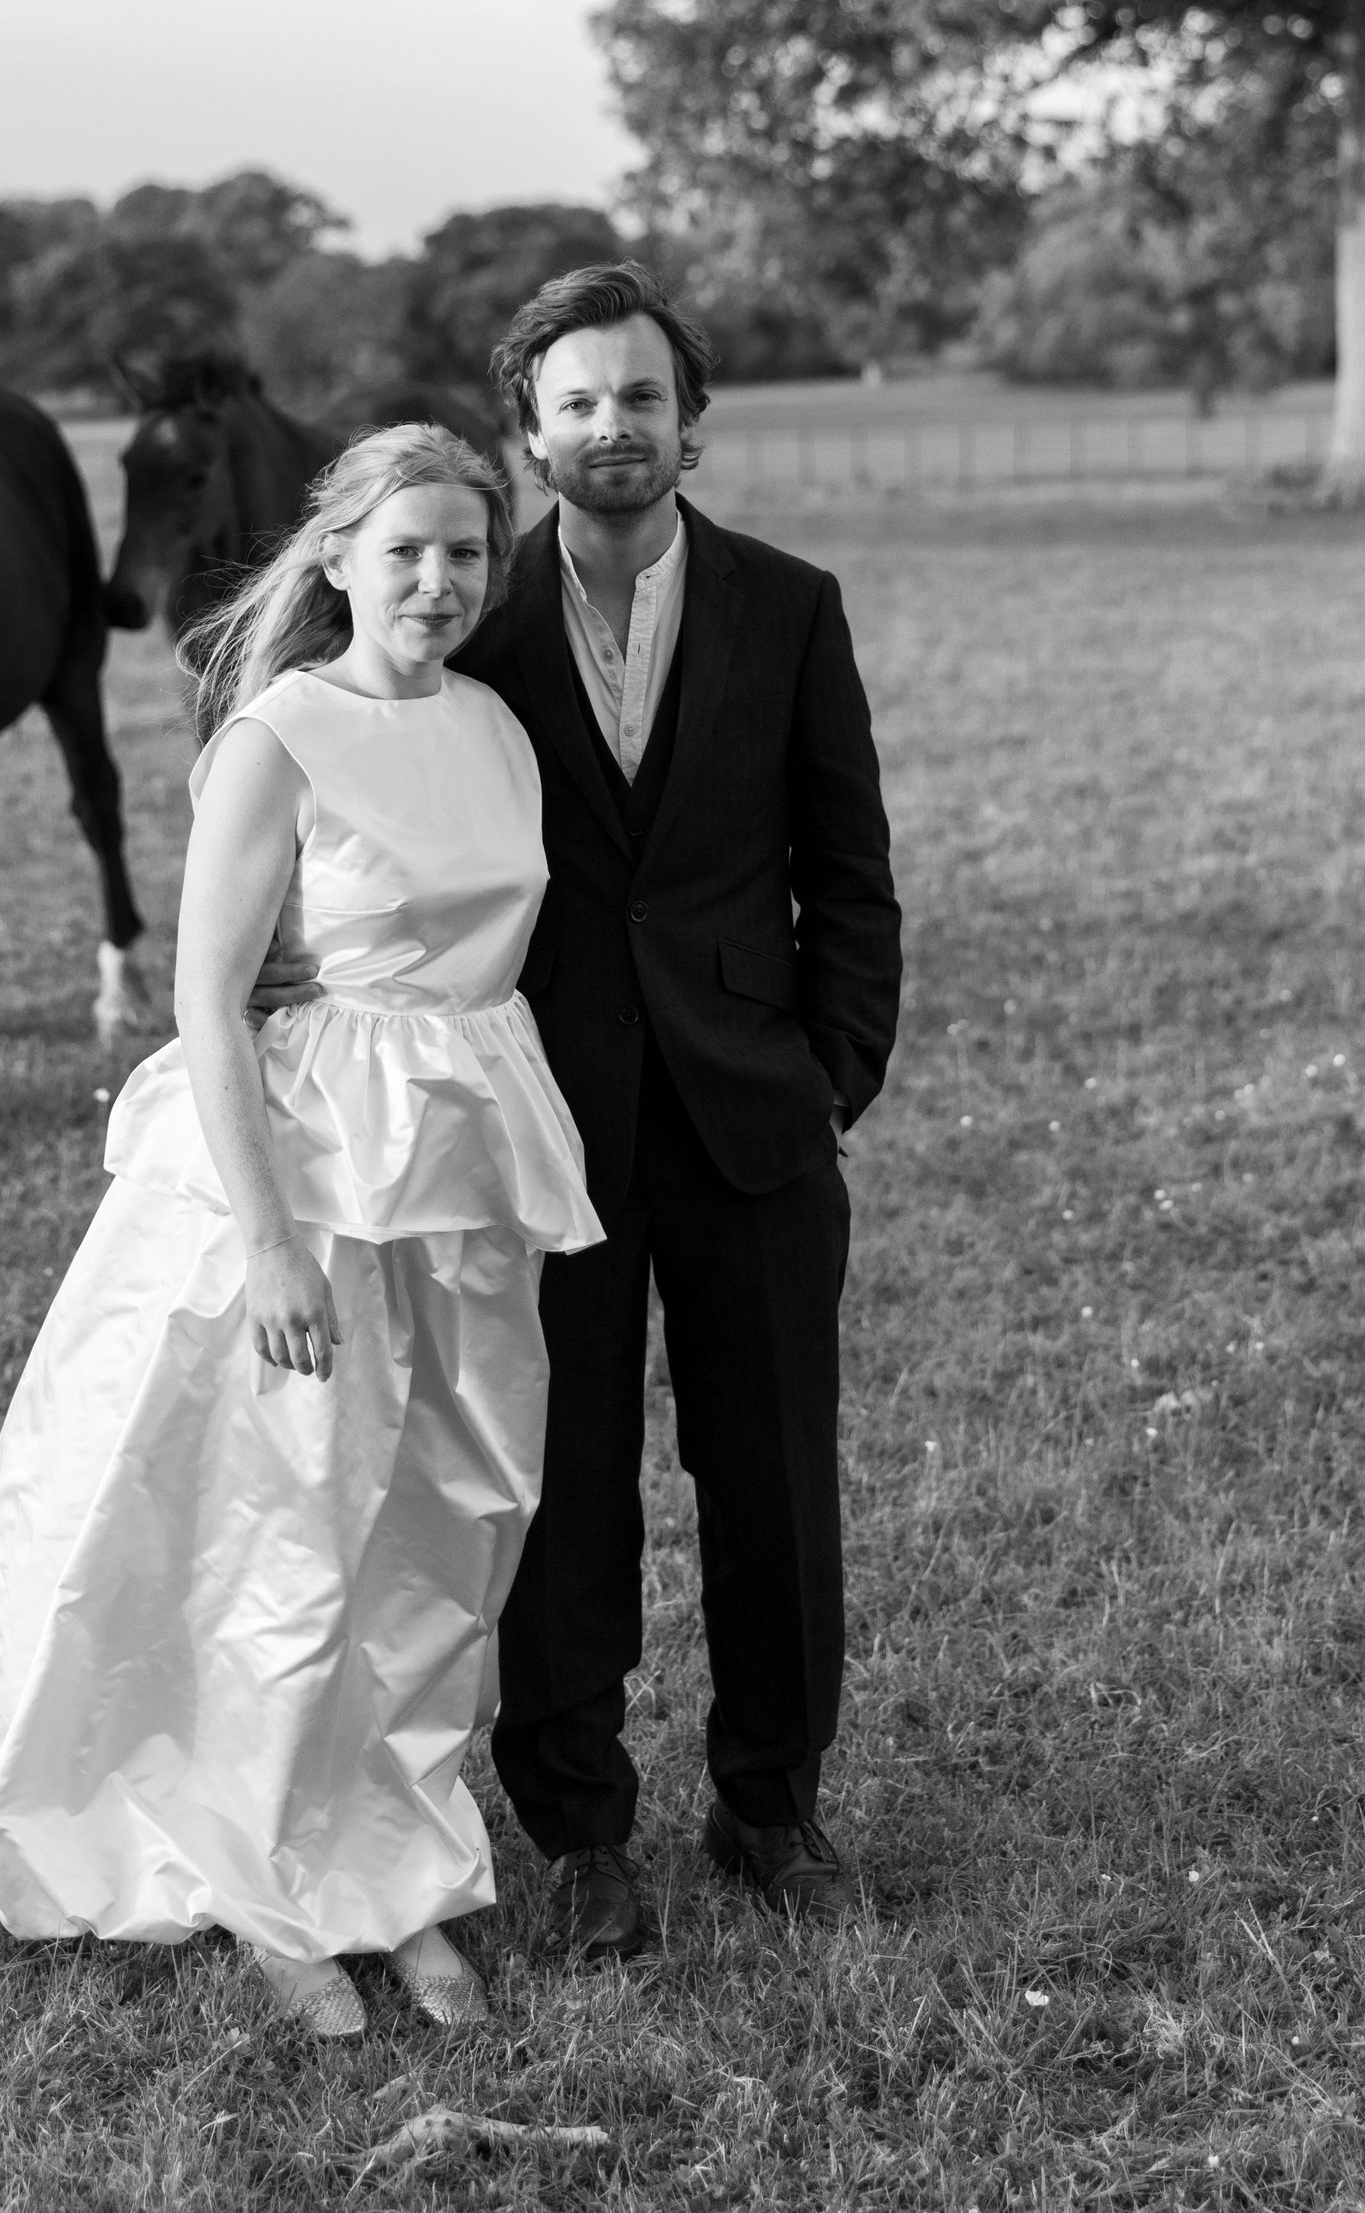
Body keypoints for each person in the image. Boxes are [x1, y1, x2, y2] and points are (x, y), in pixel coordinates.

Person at [0, 426, 601, 2040]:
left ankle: (400, 1872)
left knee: (446, 1525)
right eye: (406, 552)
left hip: (466, 1171)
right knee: (289, 1539)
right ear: (340, 562)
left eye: (465, 553)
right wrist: (277, 1239)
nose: (437, 583)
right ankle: (267, 1883)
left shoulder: (501, 728)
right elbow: (209, 1006)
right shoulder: (278, 736)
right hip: (309, 1175)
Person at [451, 262, 903, 1961]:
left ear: (688, 422)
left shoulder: (791, 605)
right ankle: (581, 1834)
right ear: (534, 430)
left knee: (775, 1474)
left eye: (642, 397)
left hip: (753, 1123)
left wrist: (829, 1078)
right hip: (542, 1129)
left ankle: (770, 1806)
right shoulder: (469, 621)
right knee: (561, 1484)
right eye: (577, 402)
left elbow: (850, 877)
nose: (612, 427)